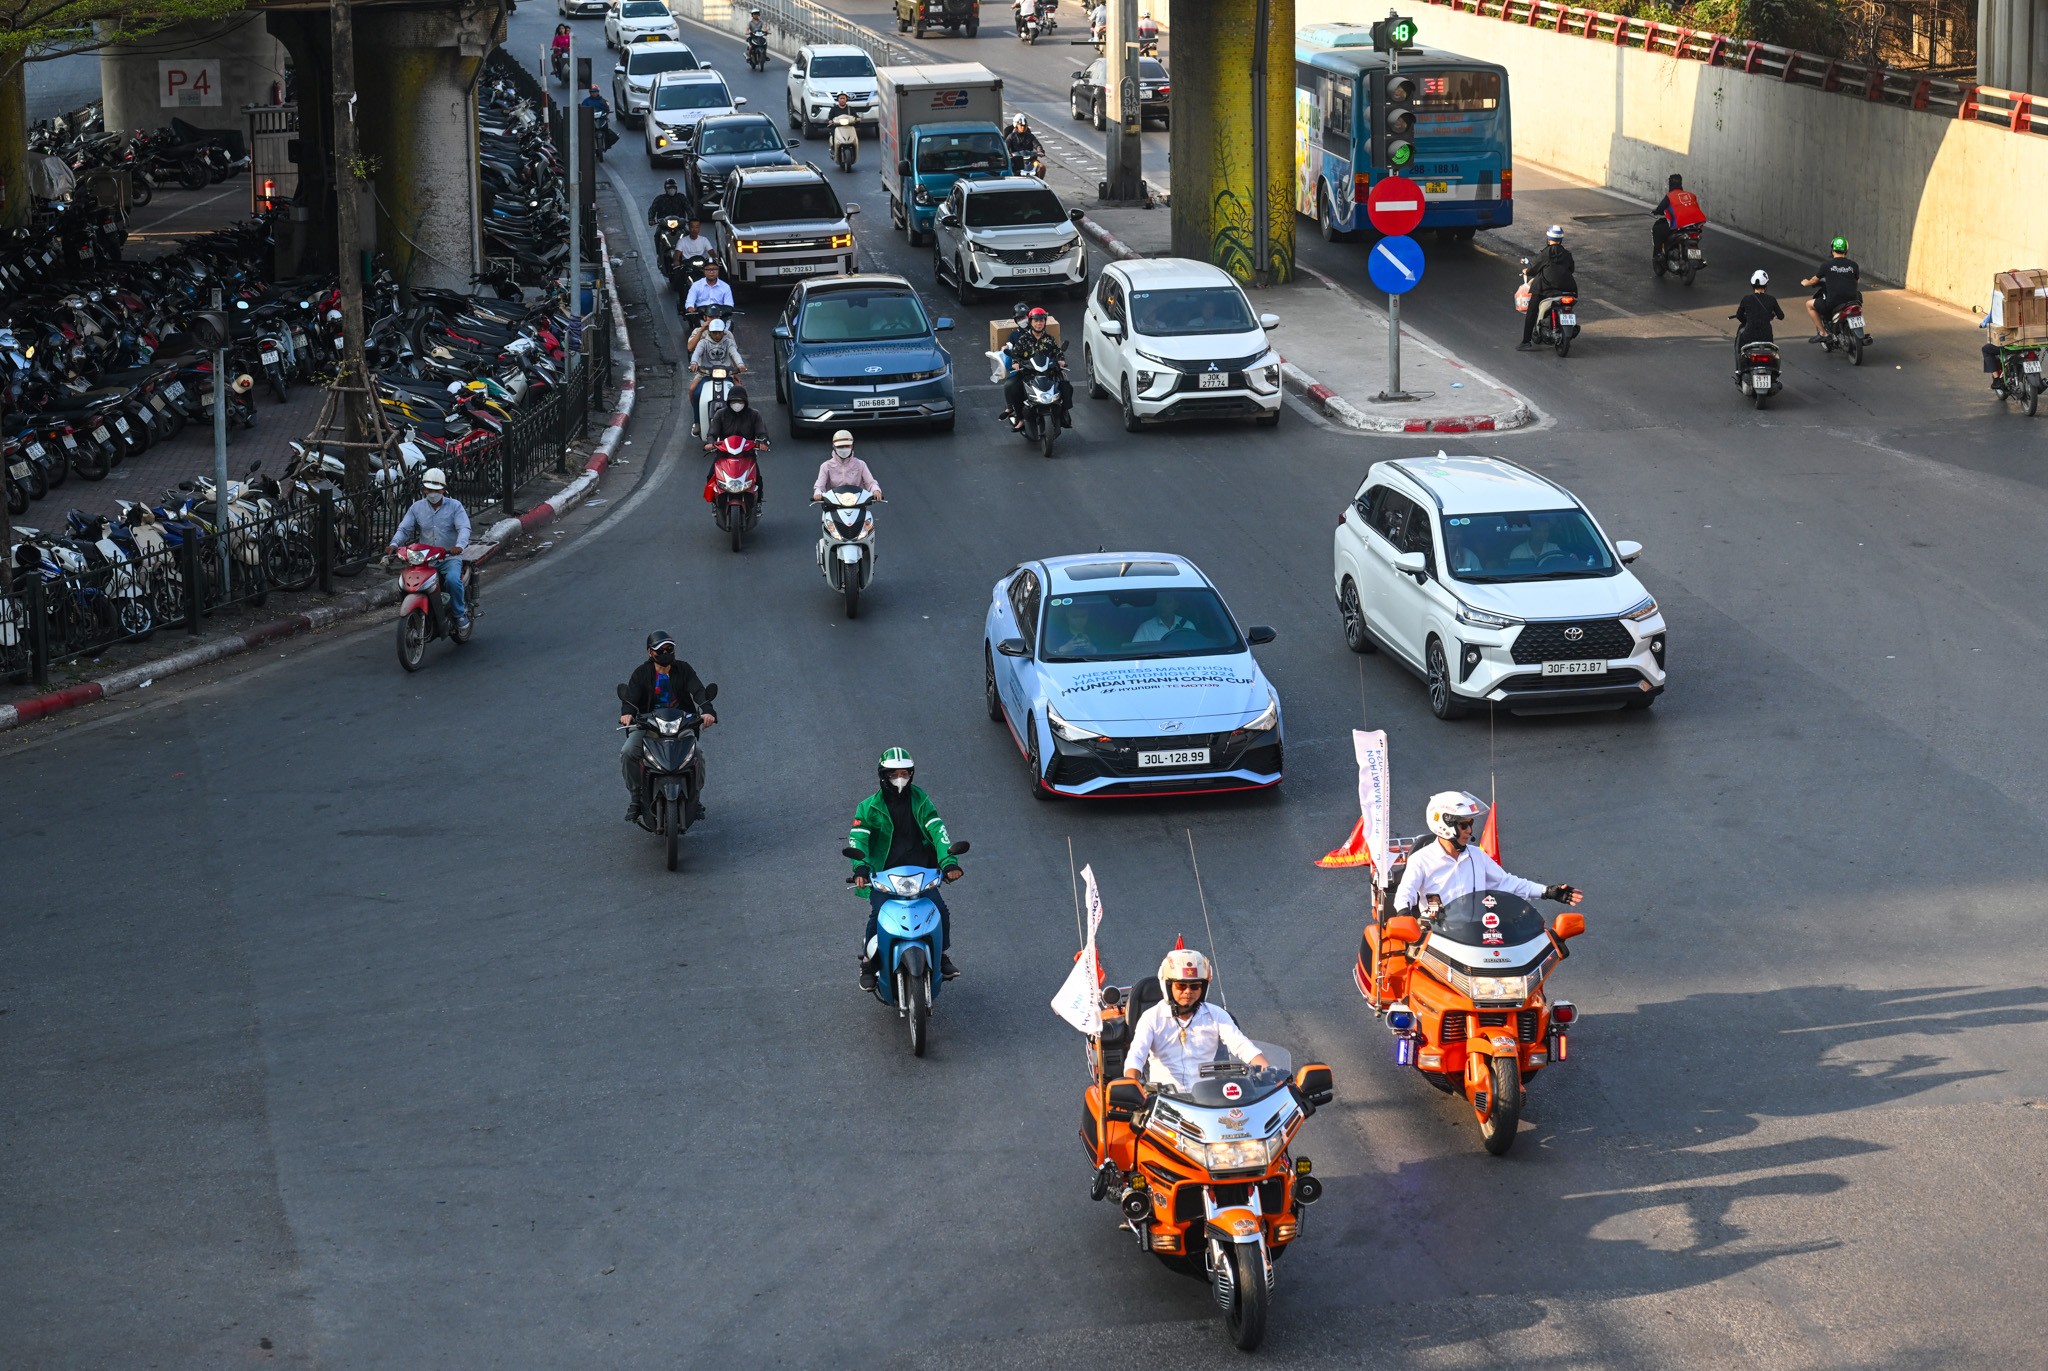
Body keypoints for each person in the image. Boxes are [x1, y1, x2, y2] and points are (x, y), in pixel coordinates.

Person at [847, 748, 961, 986]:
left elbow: (938, 832)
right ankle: (868, 963)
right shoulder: (867, 808)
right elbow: (858, 839)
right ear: (883, 776)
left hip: (921, 872)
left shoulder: (922, 801)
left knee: (939, 911)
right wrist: (860, 867)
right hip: (883, 875)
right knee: (878, 915)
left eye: (905, 773)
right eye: (894, 774)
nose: (900, 778)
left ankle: (940, 955)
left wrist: (949, 862)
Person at [1393, 791, 1582, 917]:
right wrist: (1404, 917)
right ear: (1444, 825)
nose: (1469, 831)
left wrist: (1547, 892)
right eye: (1464, 825)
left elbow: (1508, 883)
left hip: (1477, 936)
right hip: (1436, 938)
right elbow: (1405, 894)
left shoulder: (1477, 856)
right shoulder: (1421, 860)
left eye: (1470, 824)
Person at [1123, 944, 1270, 1093]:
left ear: (1203, 988)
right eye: (1181, 986)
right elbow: (1136, 1056)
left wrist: (1269, 1073)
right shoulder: (1151, 1017)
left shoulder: (1216, 1015)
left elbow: (1243, 1046)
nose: (1188, 991)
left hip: (1209, 1099)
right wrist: (1130, 1085)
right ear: (1168, 986)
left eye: (1194, 986)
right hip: (1164, 1100)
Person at [617, 632, 716, 824]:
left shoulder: (684, 669)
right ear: (650, 653)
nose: (666, 652)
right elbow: (631, 699)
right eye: (661, 650)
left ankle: (695, 797)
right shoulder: (641, 673)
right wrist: (627, 713)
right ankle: (636, 798)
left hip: (681, 725)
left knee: (698, 754)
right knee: (628, 751)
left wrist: (707, 711)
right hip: (648, 726)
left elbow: (698, 691)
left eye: (670, 649)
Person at [387, 467, 470, 632]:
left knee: (453, 580)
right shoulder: (416, 508)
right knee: (406, 583)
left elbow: (464, 528)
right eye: (429, 489)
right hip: (425, 560)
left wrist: (459, 546)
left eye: (436, 489)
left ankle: (460, 614)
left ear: (443, 490)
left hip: (448, 557)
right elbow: (404, 529)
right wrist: (394, 544)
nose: (432, 493)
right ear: (423, 489)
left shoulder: (455, 506)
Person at [1000, 306, 1072, 432]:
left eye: (1042, 321)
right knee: (1014, 388)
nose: (1039, 323)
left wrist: (1061, 360)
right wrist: (1016, 363)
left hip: (1048, 372)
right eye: (1036, 321)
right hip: (1028, 373)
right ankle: (1020, 418)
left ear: (1044, 322)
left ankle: (1064, 413)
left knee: (1066, 385)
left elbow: (1057, 352)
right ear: (1031, 322)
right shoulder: (1023, 339)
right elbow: (1016, 354)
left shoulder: (1049, 339)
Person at [705, 384, 770, 499]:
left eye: (740, 401)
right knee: (711, 475)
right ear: (729, 401)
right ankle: (715, 501)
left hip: (747, 455)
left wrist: (763, 442)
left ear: (745, 401)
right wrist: (710, 443)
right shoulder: (720, 414)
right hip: (724, 454)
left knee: (757, 479)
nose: (737, 404)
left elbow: (762, 433)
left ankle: (758, 502)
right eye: (734, 401)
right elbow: (712, 433)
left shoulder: (754, 415)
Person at [1518, 225, 1577, 351]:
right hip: (1569, 289)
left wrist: (1526, 271)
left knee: (1532, 311)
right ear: (1561, 239)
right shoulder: (1567, 254)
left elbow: (1535, 269)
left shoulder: (1545, 253)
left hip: (1547, 288)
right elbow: (1571, 269)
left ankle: (1526, 341)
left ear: (1548, 238)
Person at [688, 314, 745, 432]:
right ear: (709, 331)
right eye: (714, 332)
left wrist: (740, 365)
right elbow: (696, 352)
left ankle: (742, 420)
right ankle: (697, 421)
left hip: (726, 374)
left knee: (739, 392)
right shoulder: (703, 342)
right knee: (696, 393)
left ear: (723, 331)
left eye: (719, 332)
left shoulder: (728, 341)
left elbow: (735, 354)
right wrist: (694, 363)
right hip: (706, 374)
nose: (717, 335)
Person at [1802, 237, 1861, 340]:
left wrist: (1806, 282)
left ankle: (1823, 333)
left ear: (1832, 250)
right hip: (1853, 301)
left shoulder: (1826, 265)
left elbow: (1814, 280)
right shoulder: (1854, 265)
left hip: (1834, 302)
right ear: (1846, 250)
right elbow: (1856, 281)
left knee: (1809, 304)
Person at [1732, 269, 1784, 373]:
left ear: (1752, 284)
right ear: (1766, 284)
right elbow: (1781, 316)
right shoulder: (1771, 299)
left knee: (1739, 349)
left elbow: (1739, 315)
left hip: (1749, 335)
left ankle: (1739, 370)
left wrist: (1747, 320)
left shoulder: (1746, 299)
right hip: (1766, 336)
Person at [811, 429, 882, 501]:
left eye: (847, 446)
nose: (844, 448)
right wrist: (818, 492)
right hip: (832, 504)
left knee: (868, 513)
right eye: (840, 446)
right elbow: (820, 486)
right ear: (834, 447)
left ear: (852, 446)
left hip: (857, 502)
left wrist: (875, 490)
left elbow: (870, 482)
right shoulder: (826, 466)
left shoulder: (860, 464)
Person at [1650, 172, 1705, 262]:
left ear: (1670, 184)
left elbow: (1660, 208)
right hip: (1695, 226)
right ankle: (1695, 257)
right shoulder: (1691, 195)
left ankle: (1659, 254)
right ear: (1681, 183)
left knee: (1657, 229)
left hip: (1679, 225)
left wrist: (1655, 211)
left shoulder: (1670, 196)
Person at [682, 255, 733, 326]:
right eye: (708, 269)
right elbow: (689, 302)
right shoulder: (696, 285)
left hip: (720, 317)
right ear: (704, 271)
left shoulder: (725, 287)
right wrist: (690, 307)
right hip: (702, 317)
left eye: (714, 269)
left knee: (729, 331)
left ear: (718, 270)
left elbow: (729, 304)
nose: (711, 272)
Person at [1130, 590, 1194, 644]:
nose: (1162, 606)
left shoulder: (1188, 626)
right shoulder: (1145, 628)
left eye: (1167, 602)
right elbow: (1135, 650)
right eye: (1160, 602)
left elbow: (1194, 647)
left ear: (1176, 605)